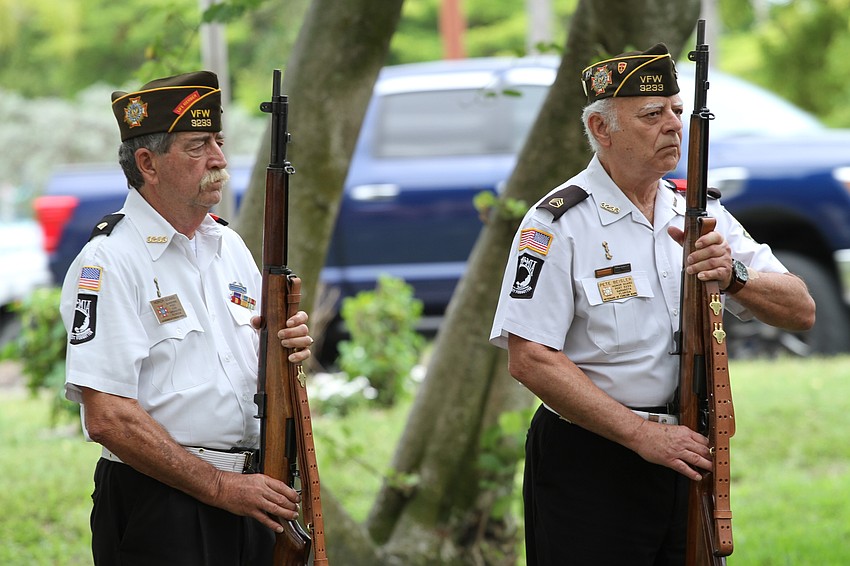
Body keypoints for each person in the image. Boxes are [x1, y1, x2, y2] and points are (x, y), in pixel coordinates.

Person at [489, 44, 815, 565]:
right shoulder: (557, 223)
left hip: (690, 449)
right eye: (651, 114)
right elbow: (530, 358)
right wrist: (642, 435)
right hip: (592, 460)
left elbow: (801, 309)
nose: (673, 125)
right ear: (601, 128)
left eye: (677, 111)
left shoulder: (698, 211)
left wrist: (734, 276)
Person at [60, 71, 314, 565]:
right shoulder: (109, 261)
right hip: (163, 504)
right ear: (148, 164)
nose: (219, 159)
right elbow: (108, 416)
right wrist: (220, 487)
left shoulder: (229, 245)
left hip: (254, 495)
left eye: (219, 141)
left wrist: (289, 349)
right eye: (198, 146)